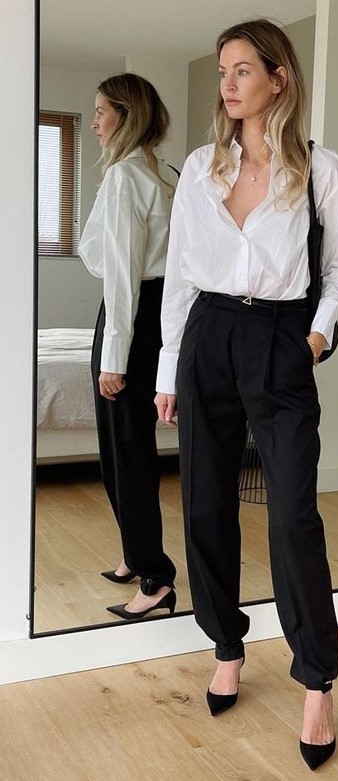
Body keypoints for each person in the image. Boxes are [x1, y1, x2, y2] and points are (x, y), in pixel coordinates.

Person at [155, 19, 338, 771]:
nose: (229, 84)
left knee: (293, 515)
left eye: (243, 69)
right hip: (207, 334)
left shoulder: (321, 169)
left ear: (279, 77)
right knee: (206, 503)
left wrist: (316, 334)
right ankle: (227, 645)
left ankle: (317, 680)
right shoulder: (202, 168)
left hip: (279, 338)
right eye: (223, 71)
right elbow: (180, 272)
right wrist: (169, 370)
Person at [79, 73, 177, 620]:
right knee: (131, 449)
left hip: (132, 318)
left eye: (101, 111)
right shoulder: (165, 173)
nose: (94, 122)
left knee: (124, 453)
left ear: (126, 113)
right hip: (158, 316)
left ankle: (155, 576)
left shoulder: (124, 178)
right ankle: (136, 555)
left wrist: (113, 358)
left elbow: (121, 275)